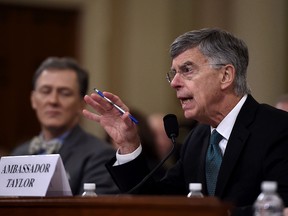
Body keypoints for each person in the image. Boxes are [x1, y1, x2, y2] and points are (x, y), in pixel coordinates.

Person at [82, 28, 288, 215]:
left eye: (187, 70)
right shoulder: (197, 138)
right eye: (173, 73)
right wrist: (128, 144)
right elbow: (156, 203)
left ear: (226, 75)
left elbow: (279, 208)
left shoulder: (278, 129)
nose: (174, 83)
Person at [11, 57, 119, 196]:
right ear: (33, 99)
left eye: (65, 93)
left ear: (81, 103)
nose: (53, 100)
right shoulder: (18, 155)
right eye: (45, 91)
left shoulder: (101, 156)